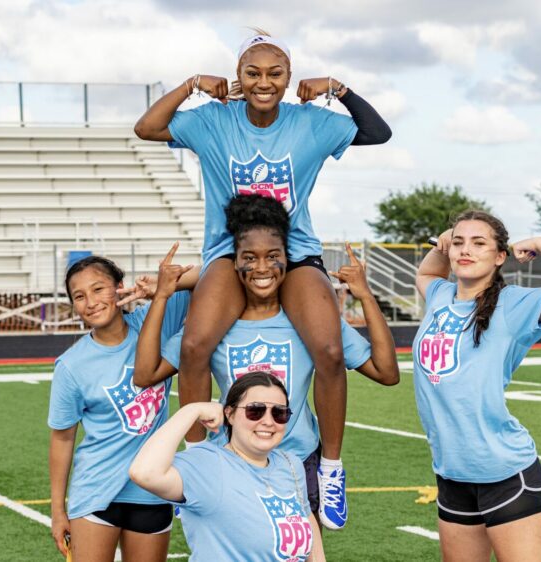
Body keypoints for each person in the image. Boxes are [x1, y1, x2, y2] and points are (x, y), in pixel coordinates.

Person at [133, 30, 392, 529]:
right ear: (238, 77)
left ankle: (332, 469)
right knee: (194, 348)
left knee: (331, 350)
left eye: (275, 73)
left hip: (293, 252)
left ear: (290, 77)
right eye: (253, 72)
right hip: (227, 253)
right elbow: (147, 128)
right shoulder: (213, 119)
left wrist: (338, 89)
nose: (264, 82)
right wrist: (191, 85)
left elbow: (377, 133)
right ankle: (200, 457)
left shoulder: (311, 122)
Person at [133, 193, 399, 526]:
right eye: (250, 257)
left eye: (273, 256)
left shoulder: (312, 321)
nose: (261, 267)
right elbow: (145, 374)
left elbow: (387, 372)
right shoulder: (212, 325)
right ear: (234, 262)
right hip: (229, 463)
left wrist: (365, 295)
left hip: (296, 461)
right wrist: (161, 295)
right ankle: (194, 462)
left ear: (288, 259)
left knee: (297, 549)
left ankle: (333, 471)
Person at [413, 210, 541, 561]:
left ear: (500, 256)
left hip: (504, 471)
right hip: (451, 472)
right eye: (459, 242)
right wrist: (441, 243)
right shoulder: (439, 294)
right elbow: (426, 271)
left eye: (478, 243)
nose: (465, 250)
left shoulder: (515, 304)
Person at [47, 251, 193, 562]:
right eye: (80, 296)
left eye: (99, 289)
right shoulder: (71, 366)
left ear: (119, 288)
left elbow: (210, 278)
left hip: (152, 491)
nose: (91, 301)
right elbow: (62, 439)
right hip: (96, 493)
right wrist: (58, 510)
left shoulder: (158, 319)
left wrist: (159, 287)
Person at [130, 372, 325, 562]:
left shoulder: (289, 463)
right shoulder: (207, 464)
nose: (268, 421)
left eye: (279, 413)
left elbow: (306, 520)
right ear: (229, 414)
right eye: (254, 411)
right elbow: (144, 473)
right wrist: (191, 410)